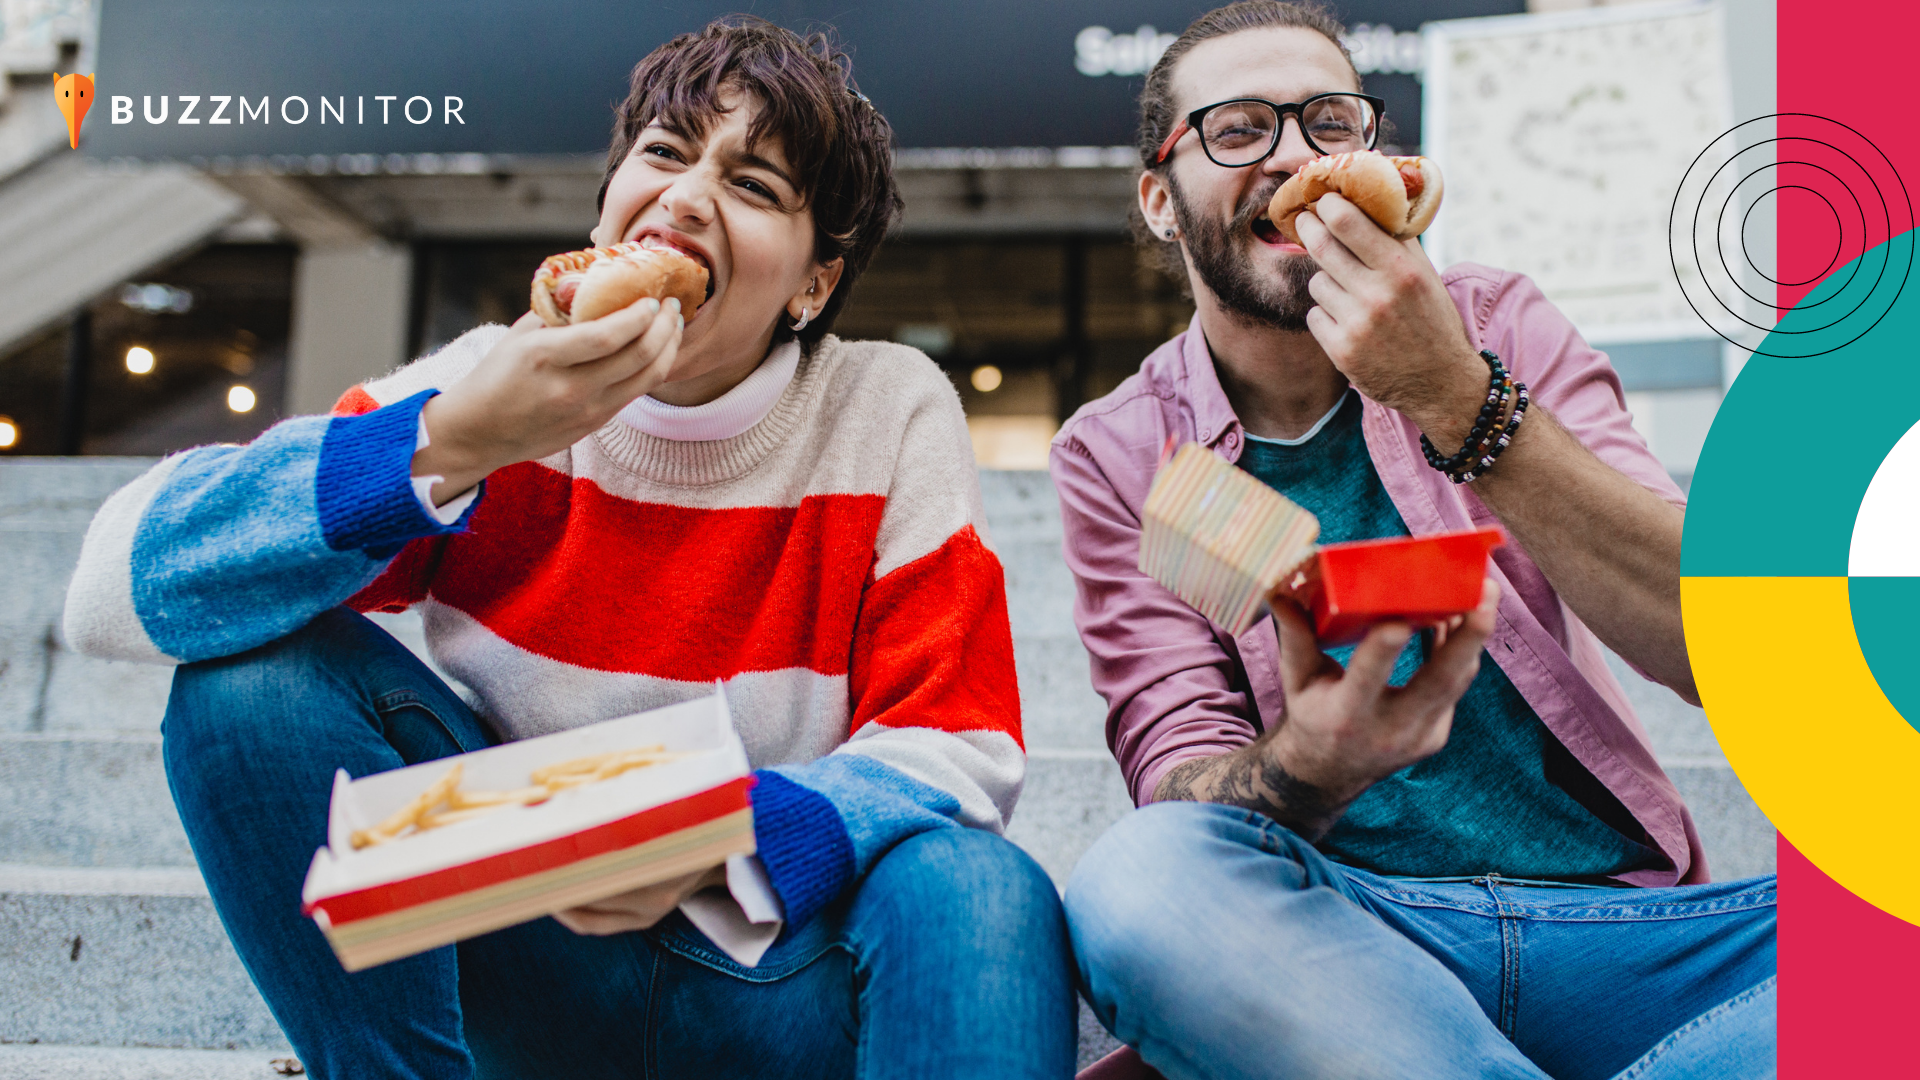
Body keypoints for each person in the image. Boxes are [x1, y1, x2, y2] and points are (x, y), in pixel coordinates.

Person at [63, 18, 1075, 1080]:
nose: (685, 199)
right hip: (525, 964)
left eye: (755, 186)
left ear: (813, 285)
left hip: (779, 982)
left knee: (981, 886)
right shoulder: (493, 383)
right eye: (666, 153)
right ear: (607, 204)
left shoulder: (884, 406)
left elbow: (958, 745)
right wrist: (451, 443)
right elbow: (111, 590)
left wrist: (713, 832)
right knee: (253, 683)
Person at [1049, 4, 1776, 1079]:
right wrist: (1315, 761)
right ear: (1159, 200)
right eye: (1239, 129)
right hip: (1350, 948)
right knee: (1138, 880)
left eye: (1329, 121)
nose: (1295, 155)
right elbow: (1180, 783)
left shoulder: (1498, 325)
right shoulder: (1120, 452)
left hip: (1630, 939)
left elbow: (1736, 647)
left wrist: (1455, 394)